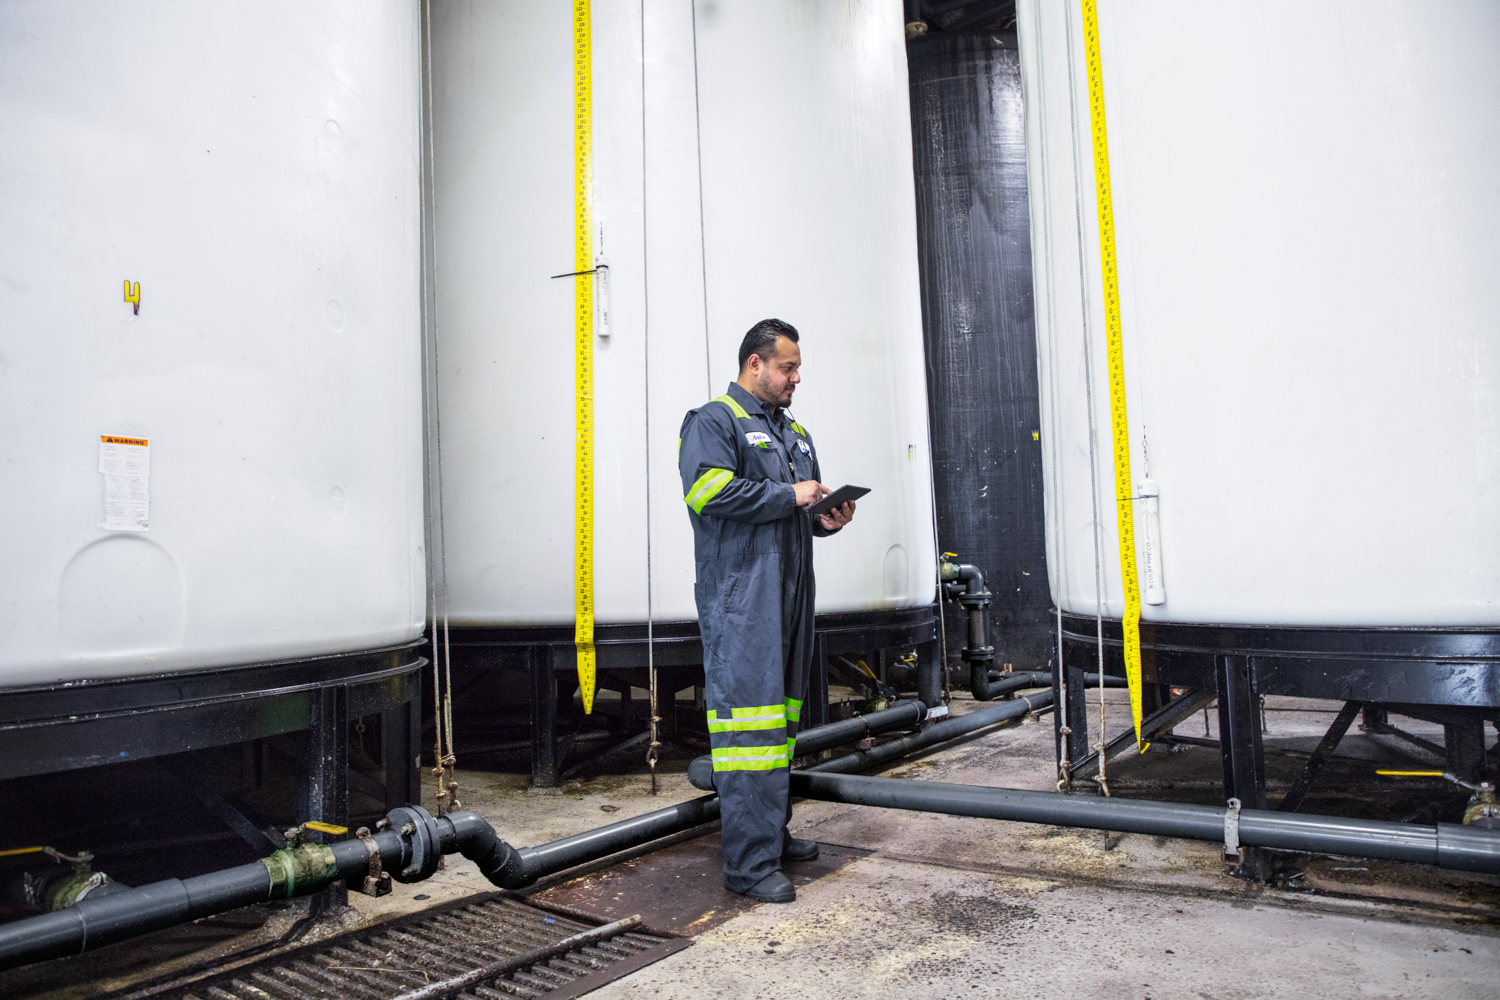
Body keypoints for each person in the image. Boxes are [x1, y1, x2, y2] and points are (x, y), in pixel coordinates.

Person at [677, 318, 856, 903]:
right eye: (787, 367)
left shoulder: (794, 432)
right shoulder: (714, 421)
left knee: (778, 724)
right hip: (743, 601)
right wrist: (790, 496)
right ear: (755, 364)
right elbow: (707, 492)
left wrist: (824, 516)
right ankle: (748, 866)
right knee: (746, 729)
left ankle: (769, 837)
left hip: (790, 593)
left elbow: (797, 510)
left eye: (797, 368)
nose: (796, 378)